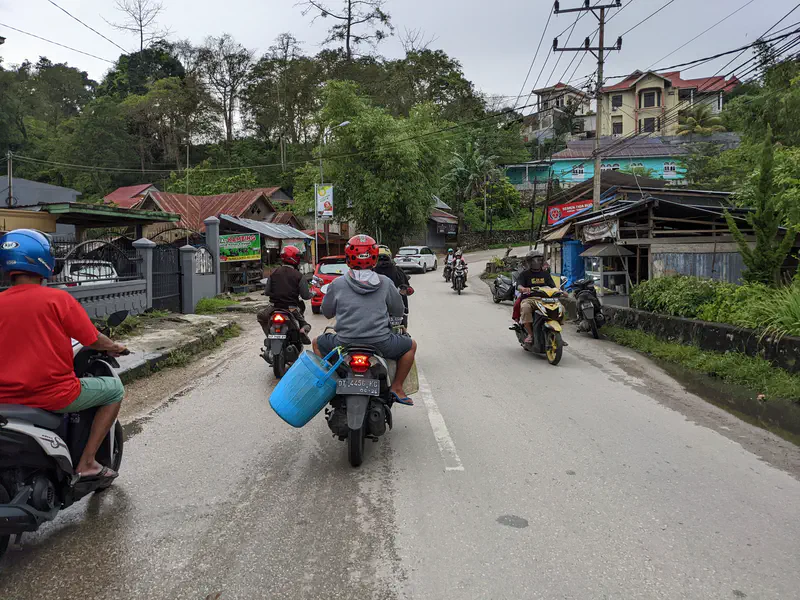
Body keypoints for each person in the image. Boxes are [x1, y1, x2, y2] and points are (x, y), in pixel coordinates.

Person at [0, 229, 127, 483]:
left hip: (5, 399)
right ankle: (88, 462)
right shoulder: (58, 299)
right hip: (54, 394)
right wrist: (114, 347)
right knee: (114, 390)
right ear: (43, 259)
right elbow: (92, 339)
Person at [313, 234, 417, 406]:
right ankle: (397, 387)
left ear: (348, 258)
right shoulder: (385, 283)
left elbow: (327, 312)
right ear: (374, 258)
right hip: (381, 343)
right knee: (411, 345)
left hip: (343, 343)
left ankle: (330, 383)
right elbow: (398, 309)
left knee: (317, 342)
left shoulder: (337, 284)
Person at [257, 245, 312, 344]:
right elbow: (305, 296)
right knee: (305, 324)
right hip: (291, 308)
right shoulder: (299, 276)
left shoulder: (273, 273)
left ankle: (269, 337)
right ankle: (302, 331)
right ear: (294, 258)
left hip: (274, 307)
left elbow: (267, 292)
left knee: (261, 316)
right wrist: (313, 294)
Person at [516, 248, 557, 346]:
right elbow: (519, 285)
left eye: (539, 259)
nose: (537, 262)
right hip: (530, 299)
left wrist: (561, 291)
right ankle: (530, 334)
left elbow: (553, 286)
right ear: (529, 261)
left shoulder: (545, 274)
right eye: (535, 260)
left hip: (546, 299)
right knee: (525, 308)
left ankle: (556, 333)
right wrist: (523, 289)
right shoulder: (524, 274)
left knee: (561, 308)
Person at [374, 246, 411, 323]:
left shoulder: (371, 271)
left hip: (376, 312)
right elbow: (407, 286)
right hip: (398, 312)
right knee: (403, 331)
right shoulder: (398, 271)